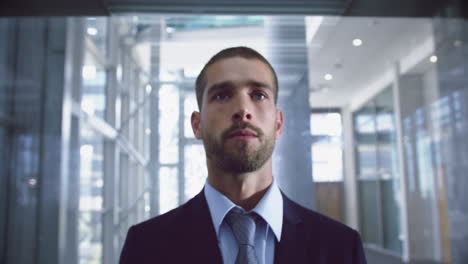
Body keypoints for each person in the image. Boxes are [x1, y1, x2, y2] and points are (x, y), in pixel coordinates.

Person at [119, 46, 367, 264]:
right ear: (197, 125)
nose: (242, 109)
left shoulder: (341, 247)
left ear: (278, 123)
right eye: (222, 95)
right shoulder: (145, 246)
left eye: (258, 95)